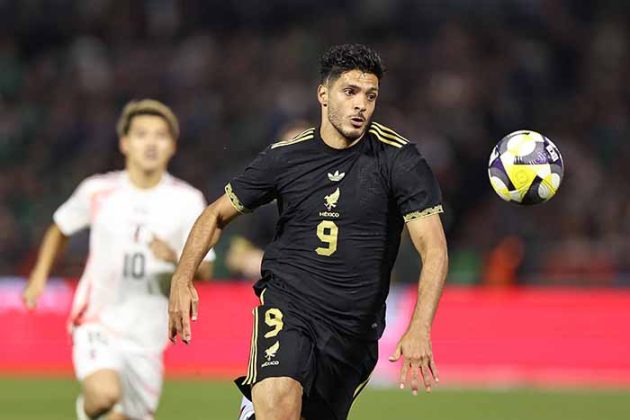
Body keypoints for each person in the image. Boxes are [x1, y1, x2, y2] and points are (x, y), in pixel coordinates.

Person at [168, 44, 448, 420]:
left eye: (370, 96)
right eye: (350, 92)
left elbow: (434, 249)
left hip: (353, 333)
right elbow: (215, 215)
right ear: (323, 94)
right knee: (280, 403)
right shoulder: (286, 157)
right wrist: (182, 277)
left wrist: (420, 327)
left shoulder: (400, 160)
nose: (361, 105)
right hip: (289, 306)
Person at [22, 99, 215, 420]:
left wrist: (176, 259)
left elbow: (206, 270)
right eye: (141, 134)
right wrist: (39, 274)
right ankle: (88, 408)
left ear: (173, 146)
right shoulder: (98, 190)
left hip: (148, 337)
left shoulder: (187, 201)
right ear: (125, 143)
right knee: (104, 395)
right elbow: (60, 227)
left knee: (120, 415)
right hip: (97, 320)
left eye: (160, 135)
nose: (150, 143)